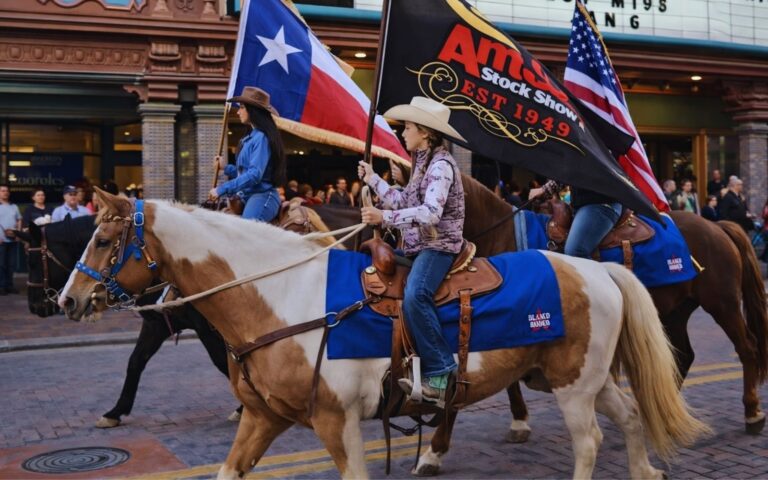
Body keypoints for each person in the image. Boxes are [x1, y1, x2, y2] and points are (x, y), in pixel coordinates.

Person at [357, 96, 466, 407]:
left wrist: (384, 218)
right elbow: (404, 201)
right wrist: (373, 180)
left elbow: (431, 212)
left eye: (407, 128)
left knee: (417, 294)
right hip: (418, 246)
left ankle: (442, 374)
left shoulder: (442, 166)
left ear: (425, 133)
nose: (402, 133)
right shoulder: (422, 163)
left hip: (439, 247)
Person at [210, 87, 286, 222]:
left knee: (245, 232)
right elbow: (244, 172)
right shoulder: (250, 137)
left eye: (242, 107)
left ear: (253, 111)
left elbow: (254, 175)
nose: (238, 112)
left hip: (262, 196)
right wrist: (225, 167)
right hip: (246, 196)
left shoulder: (261, 138)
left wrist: (222, 189)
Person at [530, 180, 622, 258]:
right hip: (580, 205)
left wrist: (545, 189)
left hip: (601, 203)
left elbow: (578, 167)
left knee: (574, 251)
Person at [0, 184, 21, 295]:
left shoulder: (14, 206)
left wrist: (18, 233)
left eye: (7, 191)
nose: (5, 192)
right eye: (3, 191)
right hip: (1, 241)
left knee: (11, 264)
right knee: (1, 264)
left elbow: (19, 220)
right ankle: (2, 286)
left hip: (12, 240)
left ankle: (9, 285)